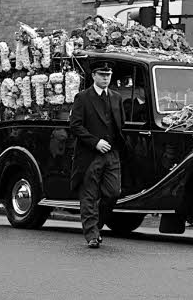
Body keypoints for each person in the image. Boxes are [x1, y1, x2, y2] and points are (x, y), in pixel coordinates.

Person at [70, 60, 125, 249]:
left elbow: (120, 126)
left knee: (113, 192)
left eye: (108, 75)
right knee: (89, 196)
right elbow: (75, 125)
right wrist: (95, 142)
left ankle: (96, 226)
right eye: (102, 75)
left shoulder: (117, 97)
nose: (105, 78)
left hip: (112, 154)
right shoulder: (83, 98)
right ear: (93, 76)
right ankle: (92, 235)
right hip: (90, 155)